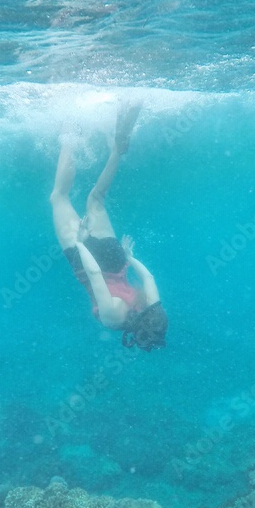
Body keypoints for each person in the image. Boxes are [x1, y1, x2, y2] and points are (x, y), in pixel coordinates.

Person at [49, 102, 168, 351]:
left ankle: (117, 150)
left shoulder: (152, 305)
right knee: (59, 197)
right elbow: (94, 275)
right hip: (86, 262)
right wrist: (81, 244)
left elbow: (148, 276)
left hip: (115, 259)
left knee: (96, 197)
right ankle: (69, 133)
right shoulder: (114, 318)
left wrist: (129, 258)